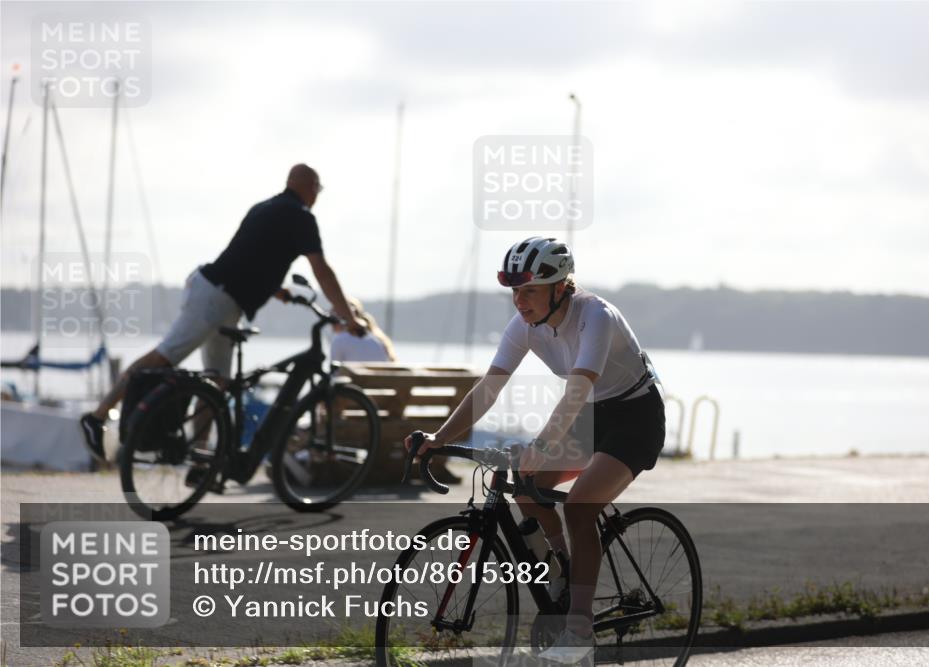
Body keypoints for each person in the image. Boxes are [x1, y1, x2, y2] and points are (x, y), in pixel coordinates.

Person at [405, 236, 665, 664]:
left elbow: (578, 388)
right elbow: (488, 389)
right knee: (524, 487)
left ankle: (579, 630)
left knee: (580, 507)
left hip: (634, 417)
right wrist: (439, 437)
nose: (518, 301)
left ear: (559, 287)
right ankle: (562, 570)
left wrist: (543, 443)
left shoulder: (594, 316)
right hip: (591, 414)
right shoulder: (525, 326)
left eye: (528, 290)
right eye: (514, 291)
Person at [80, 163, 367, 460]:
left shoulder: (264, 208)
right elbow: (323, 272)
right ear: (309, 187)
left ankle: (200, 456)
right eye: (317, 189)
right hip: (216, 298)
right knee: (164, 356)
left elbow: (249, 257)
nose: (317, 195)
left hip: (218, 295)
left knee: (217, 383)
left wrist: (278, 291)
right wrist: (348, 317)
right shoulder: (302, 218)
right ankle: (98, 416)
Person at [326, 296, 397, 362]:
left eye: (333, 315)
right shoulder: (378, 339)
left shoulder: (340, 340)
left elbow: (335, 373)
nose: (330, 319)